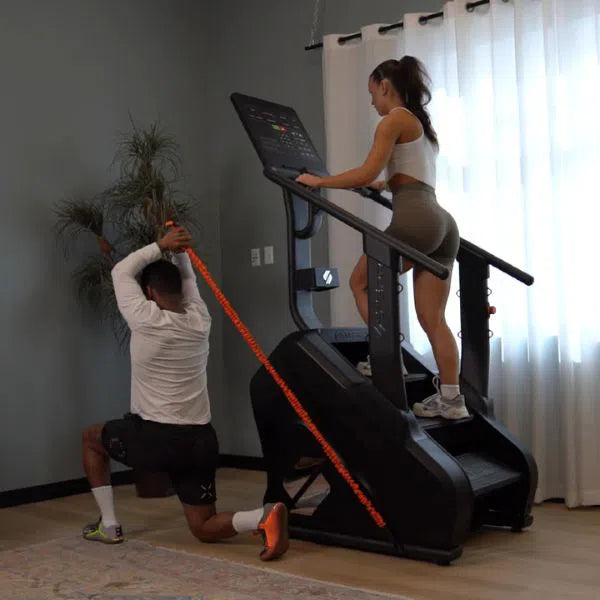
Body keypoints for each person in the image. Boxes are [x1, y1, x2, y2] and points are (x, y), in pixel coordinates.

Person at [81, 225, 289, 560]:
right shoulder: (199, 318)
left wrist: (161, 245)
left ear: (149, 292)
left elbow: (121, 270)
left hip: (159, 438)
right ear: (178, 290)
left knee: (91, 438)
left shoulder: (147, 319)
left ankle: (109, 525)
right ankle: (262, 517)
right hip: (201, 441)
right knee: (203, 527)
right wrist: (179, 250)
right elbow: (189, 282)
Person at [296, 56, 468, 421]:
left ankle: (388, 362)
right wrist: (384, 184)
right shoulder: (419, 123)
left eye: (372, 92)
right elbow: (407, 173)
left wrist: (319, 182)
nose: (371, 101)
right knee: (433, 318)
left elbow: (366, 170)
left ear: (385, 86)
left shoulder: (393, 120)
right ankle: (452, 399)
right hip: (441, 223)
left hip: (416, 219)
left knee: (360, 282)